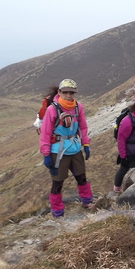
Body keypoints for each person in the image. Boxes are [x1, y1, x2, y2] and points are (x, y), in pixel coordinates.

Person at [39, 78, 93, 217]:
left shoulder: (78, 107)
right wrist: (46, 154)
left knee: (81, 177)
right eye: (66, 92)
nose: (69, 95)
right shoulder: (52, 109)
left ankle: (87, 201)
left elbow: (82, 127)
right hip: (58, 151)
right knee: (58, 182)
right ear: (59, 92)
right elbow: (45, 133)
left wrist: (85, 144)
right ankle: (57, 211)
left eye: (72, 92)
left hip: (74, 148)